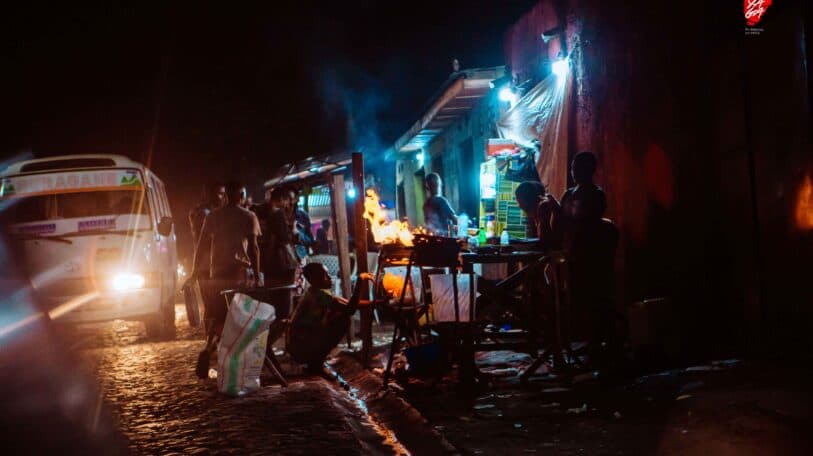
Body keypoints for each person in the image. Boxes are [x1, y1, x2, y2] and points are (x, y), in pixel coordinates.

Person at [189, 181, 262, 336]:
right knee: (242, 314)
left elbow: (201, 246)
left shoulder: (213, 216)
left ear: (226, 195)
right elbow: (254, 249)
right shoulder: (249, 216)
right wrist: (257, 276)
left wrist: (194, 272)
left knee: (217, 313)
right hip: (239, 273)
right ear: (242, 195)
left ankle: (210, 346)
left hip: (217, 272)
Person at [288, 263, 373, 375]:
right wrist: (360, 280)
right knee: (343, 321)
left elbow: (349, 304)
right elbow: (350, 309)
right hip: (301, 348)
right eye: (325, 275)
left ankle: (315, 364)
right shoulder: (319, 295)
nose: (329, 277)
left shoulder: (316, 291)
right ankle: (315, 365)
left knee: (339, 317)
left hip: (299, 344)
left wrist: (378, 303)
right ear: (314, 279)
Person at [560, 151, 607, 223]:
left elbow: (589, 224)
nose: (574, 172)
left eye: (578, 168)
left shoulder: (597, 195)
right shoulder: (568, 194)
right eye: (573, 168)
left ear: (590, 170)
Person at [514, 180, 561, 250]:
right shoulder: (539, 207)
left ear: (526, 198)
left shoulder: (543, 206)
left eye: (518, 199)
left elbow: (544, 239)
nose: (518, 205)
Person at [188, 181, 225, 247]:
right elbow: (205, 237)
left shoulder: (213, 212)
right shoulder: (203, 213)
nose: (223, 197)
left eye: (224, 194)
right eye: (220, 194)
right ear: (212, 194)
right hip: (207, 253)